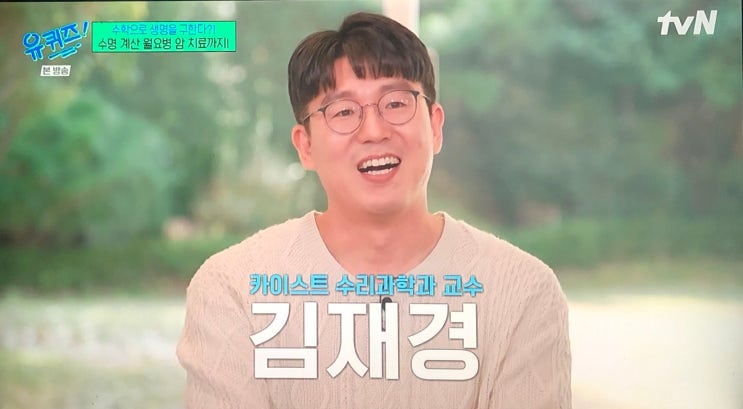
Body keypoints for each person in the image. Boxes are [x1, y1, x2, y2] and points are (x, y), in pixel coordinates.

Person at [177, 11, 571, 409]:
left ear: (435, 126)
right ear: (306, 146)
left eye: (396, 103)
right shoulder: (233, 289)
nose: (374, 131)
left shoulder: (523, 291)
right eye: (343, 112)